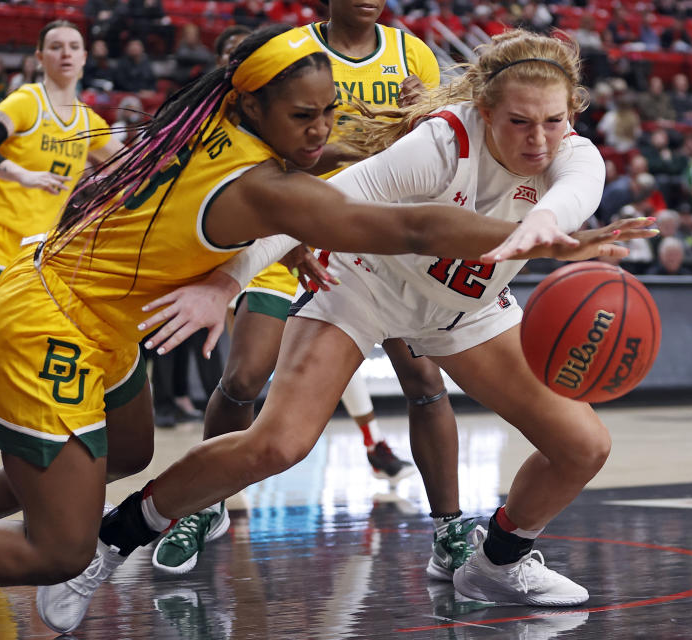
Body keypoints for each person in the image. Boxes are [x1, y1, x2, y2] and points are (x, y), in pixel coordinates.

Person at [0, 26, 648, 637]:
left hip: (458, 312)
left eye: (552, 123)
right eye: (306, 115)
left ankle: (495, 561)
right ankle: (55, 545)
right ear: (483, 110)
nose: (537, 139)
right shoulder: (416, 147)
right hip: (344, 291)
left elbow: (567, 192)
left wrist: (546, 223)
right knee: (259, 449)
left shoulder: (566, 158)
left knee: (583, 444)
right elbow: (374, 216)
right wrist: (231, 280)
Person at [148, 0, 452, 579]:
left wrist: (422, 120)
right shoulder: (294, 51)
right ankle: (201, 504)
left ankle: (450, 529)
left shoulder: (413, 54)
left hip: (374, 239)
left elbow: (429, 148)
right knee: (242, 379)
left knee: (423, 382)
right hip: (285, 228)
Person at [0, 20, 122, 498]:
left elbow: (132, 168)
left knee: (8, 356)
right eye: (55, 46)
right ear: (40, 56)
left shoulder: (87, 122)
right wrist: (17, 172)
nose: (65, 53)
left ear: (85, 58)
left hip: (35, 255)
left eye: (74, 46)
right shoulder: (25, 103)